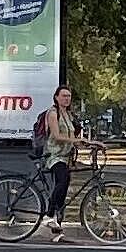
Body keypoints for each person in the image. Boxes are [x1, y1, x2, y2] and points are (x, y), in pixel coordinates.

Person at [30, 85, 87, 242]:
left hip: (65, 156)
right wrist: (76, 140)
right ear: (56, 97)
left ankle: (56, 229)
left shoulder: (68, 115)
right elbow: (56, 136)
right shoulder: (53, 113)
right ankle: (49, 215)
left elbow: (72, 137)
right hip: (53, 155)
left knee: (64, 185)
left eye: (68, 96)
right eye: (63, 96)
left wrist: (90, 143)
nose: (66, 99)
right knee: (63, 180)